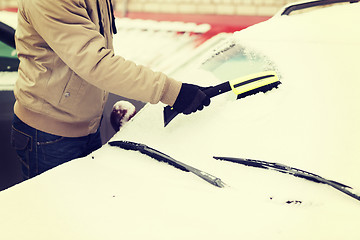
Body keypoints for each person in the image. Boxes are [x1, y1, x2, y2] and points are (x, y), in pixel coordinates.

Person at [11, 0, 210, 180]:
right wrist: (170, 91)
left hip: (85, 124)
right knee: (54, 217)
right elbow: (95, 63)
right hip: (48, 136)